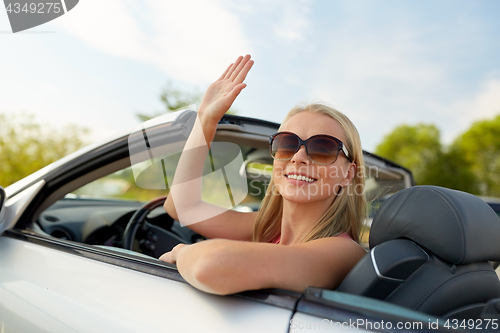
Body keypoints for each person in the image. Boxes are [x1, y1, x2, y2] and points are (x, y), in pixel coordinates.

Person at [159, 55, 366, 295]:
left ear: (348, 174)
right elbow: (181, 207)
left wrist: (181, 252)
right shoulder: (266, 227)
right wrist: (206, 120)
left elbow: (212, 264)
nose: (298, 157)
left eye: (323, 148)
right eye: (287, 144)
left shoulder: (345, 252)